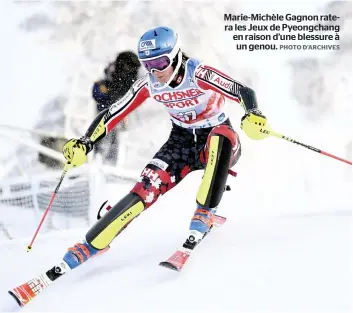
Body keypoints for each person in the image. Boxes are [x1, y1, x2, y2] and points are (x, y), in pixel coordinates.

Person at [61, 26, 270, 268]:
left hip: (217, 138)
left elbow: (241, 90)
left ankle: (205, 212)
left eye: (160, 62)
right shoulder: (149, 84)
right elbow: (113, 113)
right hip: (180, 142)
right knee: (146, 186)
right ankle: (94, 242)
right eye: (148, 64)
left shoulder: (198, 73)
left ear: (175, 56)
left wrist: (253, 113)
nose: (155, 71)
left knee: (220, 137)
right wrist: (86, 141)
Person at [92, 51, 141, 163]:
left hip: (119, 105)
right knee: (104, 131)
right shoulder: (111, 75)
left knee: (115, 134)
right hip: (108, 105)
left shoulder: (130, 75)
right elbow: (98, 93)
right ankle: (100, 158)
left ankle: (108, 159)